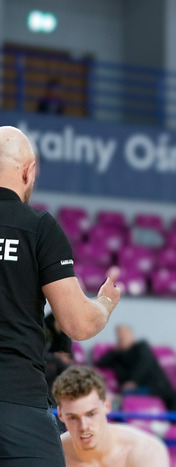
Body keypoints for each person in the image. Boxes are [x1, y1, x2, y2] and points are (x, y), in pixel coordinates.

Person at [0, 125, 121, 465]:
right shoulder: (38, 227)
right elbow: (78, 325)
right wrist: (106, 303)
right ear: (29, 170)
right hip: (17, 400)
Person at [54, 365, 170, 466]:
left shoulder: (145, 451)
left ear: (107, 405)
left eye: (91, 414)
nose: (83, 426)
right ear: (60, 414)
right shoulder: (51, 454)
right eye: (73, 417)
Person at [95, 324, 175, 408]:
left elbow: (144, 364)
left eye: (125, 334)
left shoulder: (141, 347)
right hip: (129, 391)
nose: (122, 338)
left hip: (154, 388)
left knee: (122, 397)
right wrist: (115, 351)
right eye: (119, 336)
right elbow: (100, 364)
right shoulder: (117, 355)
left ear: (132, 335)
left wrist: (133, 381)